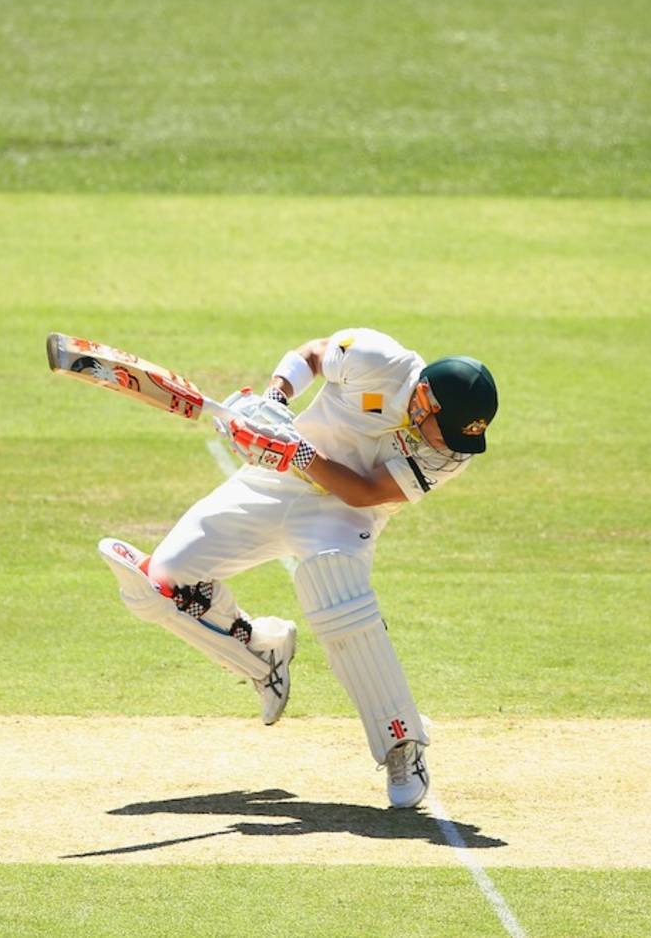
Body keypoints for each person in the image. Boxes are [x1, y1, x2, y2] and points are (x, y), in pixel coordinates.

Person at [97, 328, 498, 808]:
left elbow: (365, 493)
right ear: (424, 401)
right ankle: (259, 651)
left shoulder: (448, 454)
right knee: (156, 586)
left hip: (342, 514)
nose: (452, 445)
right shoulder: (377, 358)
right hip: (270, 485)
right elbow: (311, 355)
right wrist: (273, 403)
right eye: (447, 429)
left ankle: (402, 742)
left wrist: (296, 452)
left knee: (336, 591)